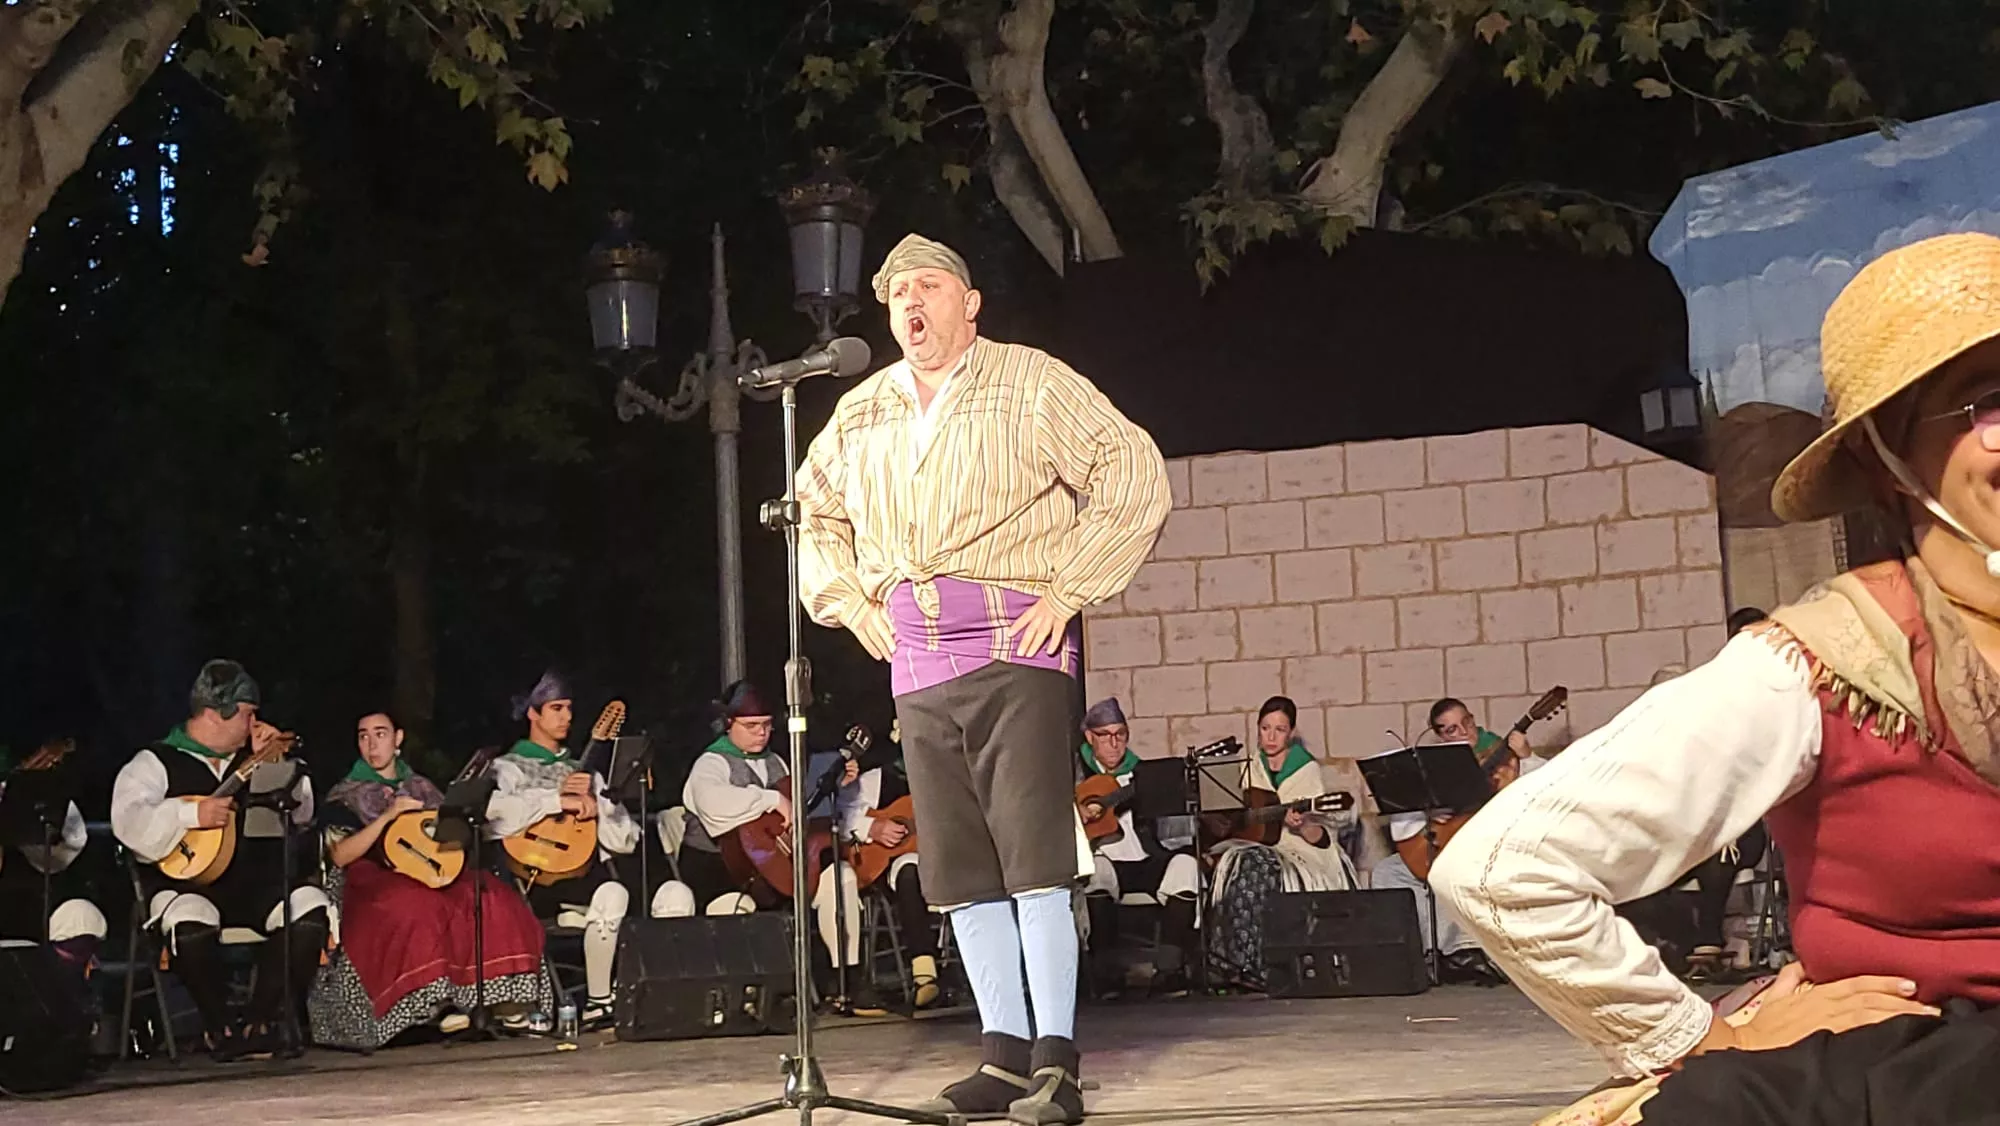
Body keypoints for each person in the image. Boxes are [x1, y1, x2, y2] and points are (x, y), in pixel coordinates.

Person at [1434, 233, 2000, 1124]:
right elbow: (1504, 867)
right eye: (1990, 403)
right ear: (1892, 457)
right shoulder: (1823, 662)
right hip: (1923, 1072)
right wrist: (1702, 1037)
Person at [796, 233, 1170, 1124]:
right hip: (918, 662)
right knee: (962, 869)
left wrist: (1071, 589)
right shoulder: (863, 409)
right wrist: (853, 604)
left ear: (969, 304)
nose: (909, 303)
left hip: (1015, 647)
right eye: (895, 295)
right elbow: (811, 510)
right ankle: (1001, 1056)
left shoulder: (1030, 382)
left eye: (928, 286)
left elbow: (1132, 471)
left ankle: (1056, 1063)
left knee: (1034, 860)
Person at [111, 660, 327, 1061]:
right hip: (187, 885)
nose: (254, 723)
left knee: (311, 908)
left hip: (255, 886)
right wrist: (191, 814)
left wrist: (278, 764)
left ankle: (262, 1021)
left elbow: (302, 814)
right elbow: (128, 822)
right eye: (247, 714)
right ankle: (218, 1026)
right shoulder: (154, 762)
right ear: (213, 715)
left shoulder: (254, 757)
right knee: (189, 919)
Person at [308, 711, 549, 1049]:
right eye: (363, 736)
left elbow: (450, 838)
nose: (371, 743)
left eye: (380, 734)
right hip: (374, 874)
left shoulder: (421, 787)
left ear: (398, 739)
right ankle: (435, 1005)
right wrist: (390, 816)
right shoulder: (346, 794)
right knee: (418, 906)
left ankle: (506, 999)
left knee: (489, 895)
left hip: (430, 867)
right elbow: (340, 855)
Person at [679, 681, 883, 1016]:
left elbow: (801, 810)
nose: (760, 733)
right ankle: (751, 999)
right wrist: (771, 798)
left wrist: (833, 786)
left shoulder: (776, 761)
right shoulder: (711, 763)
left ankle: (846, 979)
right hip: (725, 873)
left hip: (778, 866)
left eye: (766, 726)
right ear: (730, 724)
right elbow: (715, 804)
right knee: (736, 906)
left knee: (840, 878)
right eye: (751, 726)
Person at [483, 670, 638, 1029]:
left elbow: (624, 841)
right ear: (533, 714)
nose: (566, 717)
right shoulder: (508, 767)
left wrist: (600, 808)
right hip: (526, 879)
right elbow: (494, 816)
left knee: (614, 891)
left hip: (577, 876)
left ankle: (599, 1001)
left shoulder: (584, 775)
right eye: (556, 708)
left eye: (569, 708)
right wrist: (557, 799)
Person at [1206, 696, 1357, 992]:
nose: (1271, 736)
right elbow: (1233, 813)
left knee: (1254, 865)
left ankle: (1256, 965)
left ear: (1291, 733)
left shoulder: (1306, 770)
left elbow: (1322, 838)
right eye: (1265, 728)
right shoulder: (1248, 766)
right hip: (1252, 845)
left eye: (1280, 729)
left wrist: (1301, 827)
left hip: (1300, 853)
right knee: (1241, 862)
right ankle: (1230, 964)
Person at [1368, 698, 1518, 985]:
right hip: (1447, 841)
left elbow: (1540, 789)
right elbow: (1408, 820)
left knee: (1448, 867)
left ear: (1474, 720)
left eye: (1466, 723)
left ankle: (1464, 951)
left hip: (1491, 846)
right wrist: (1429, 812)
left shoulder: (1504, 754)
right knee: (1388, 872)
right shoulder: (1436, 765)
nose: (1462, 732)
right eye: (1450, 730)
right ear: (1440, 736)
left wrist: (1528, 756)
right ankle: (1420, 953)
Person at [1075, 698, 1199, 998]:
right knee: (1098, 873)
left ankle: (1170, 970)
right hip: (1104, 858)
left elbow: (1172, 829)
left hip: (1146, 857)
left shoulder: (1143, 773)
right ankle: (1107, 975)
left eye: (1121, 734)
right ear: (1091, 738)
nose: (1115, 744)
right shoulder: (1075, 776)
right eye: (1106, 736)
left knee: (1186, 867)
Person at [836, 720, 943, 1010]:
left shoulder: (950, 776)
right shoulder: (878, 778)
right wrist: (873, 827)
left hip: (950, 857)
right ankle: (925, 973)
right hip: (892, 861)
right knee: (910, 872)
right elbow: (841, 816)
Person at [0, 739, 107, 988]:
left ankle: (66, 1017)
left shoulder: (27, 795)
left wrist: (19, 811)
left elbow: (65, 850)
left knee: (80, 917)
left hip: (29, 903)